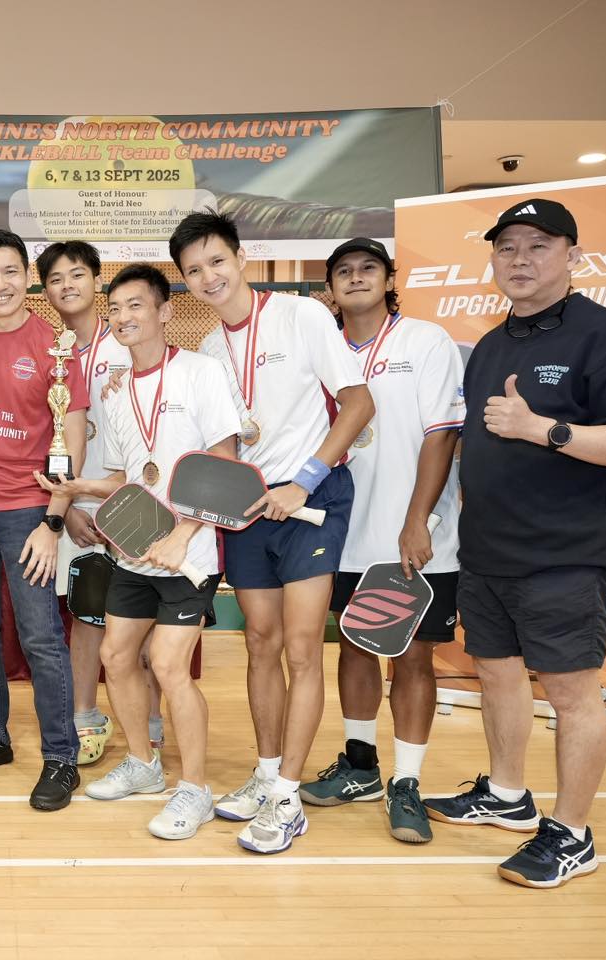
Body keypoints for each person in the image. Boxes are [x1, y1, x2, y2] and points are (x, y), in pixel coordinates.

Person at [424, 198, 606, 888]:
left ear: (573, 257)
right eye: (508, 248)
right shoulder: (494, 344)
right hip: (489, 549)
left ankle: (573, 833)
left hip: (566, 554)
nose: (520, 260)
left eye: (538, 246)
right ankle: (505, 795)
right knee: (495, 672)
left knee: (571, 692)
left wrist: (545, 430)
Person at [176, 210, 374, 853]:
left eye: (216, 261)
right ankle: (265, 776)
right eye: (194, 270)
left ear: (240, 257)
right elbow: (225, 445)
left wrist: (305, 481)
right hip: (250, 513)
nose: (209, 276)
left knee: (298, 647)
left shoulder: (302, 316)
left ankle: (289, 796)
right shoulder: (208, 352)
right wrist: (231, 499)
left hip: (311, 502)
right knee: (259, 642)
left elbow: (358, 403)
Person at [38, 264, 239, 839]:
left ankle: (195, 789)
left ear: (164, 311)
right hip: (135, 552)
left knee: (170, 664)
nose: (124, 318)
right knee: (117, 657)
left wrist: (183, 534)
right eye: (116, 310)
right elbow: (130, 477)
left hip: (189, 554)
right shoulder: (118, 391)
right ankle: (144, 766)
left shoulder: (201, 372)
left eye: (136, 306)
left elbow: (224, 467)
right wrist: (75, 490)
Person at [297, 238, 463, 845]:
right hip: (341, 529)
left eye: (369, 268)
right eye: (344, 271)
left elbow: (442, 436)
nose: (357, 278)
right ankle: (361, 766)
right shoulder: (322, 347)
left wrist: (417, 518)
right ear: (330, 288)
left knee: (413, 657)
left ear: (389, 278)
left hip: (413, 534)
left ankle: (408, 784)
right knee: (355, 645)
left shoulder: (425, 341)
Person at [0, 229, 89, 812]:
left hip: (28, 511)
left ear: (27, 277)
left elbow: (71, 438)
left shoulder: (57, 344)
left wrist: (52, 520)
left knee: (41, 637)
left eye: (9, 272)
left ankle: (60, 757)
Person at [37, 242, 166, 767]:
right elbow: (37, 433)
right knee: (88, 615)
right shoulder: (46, 349)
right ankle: (85, 717)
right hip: (73, 506)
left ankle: (151, 721)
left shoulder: (129, 343)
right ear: (44, 290)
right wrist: (65, 505)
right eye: (55, 278)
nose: (67, 285)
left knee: (145, 618)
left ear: (97, 282)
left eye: (78, 274)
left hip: (132, 501)